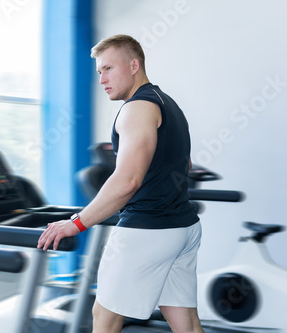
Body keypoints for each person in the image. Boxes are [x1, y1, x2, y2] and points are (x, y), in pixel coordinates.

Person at [37, 34, 205, 333]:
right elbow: (185, 164)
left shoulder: (136, 109)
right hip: (183, 229)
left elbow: (127, 181)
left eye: (109, 69)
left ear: (134, 65)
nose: (102, 78)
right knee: (187, 325)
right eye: (99, 71)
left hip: (147, 232)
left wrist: (74, 224)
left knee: (104, 319)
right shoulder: (168, 104)